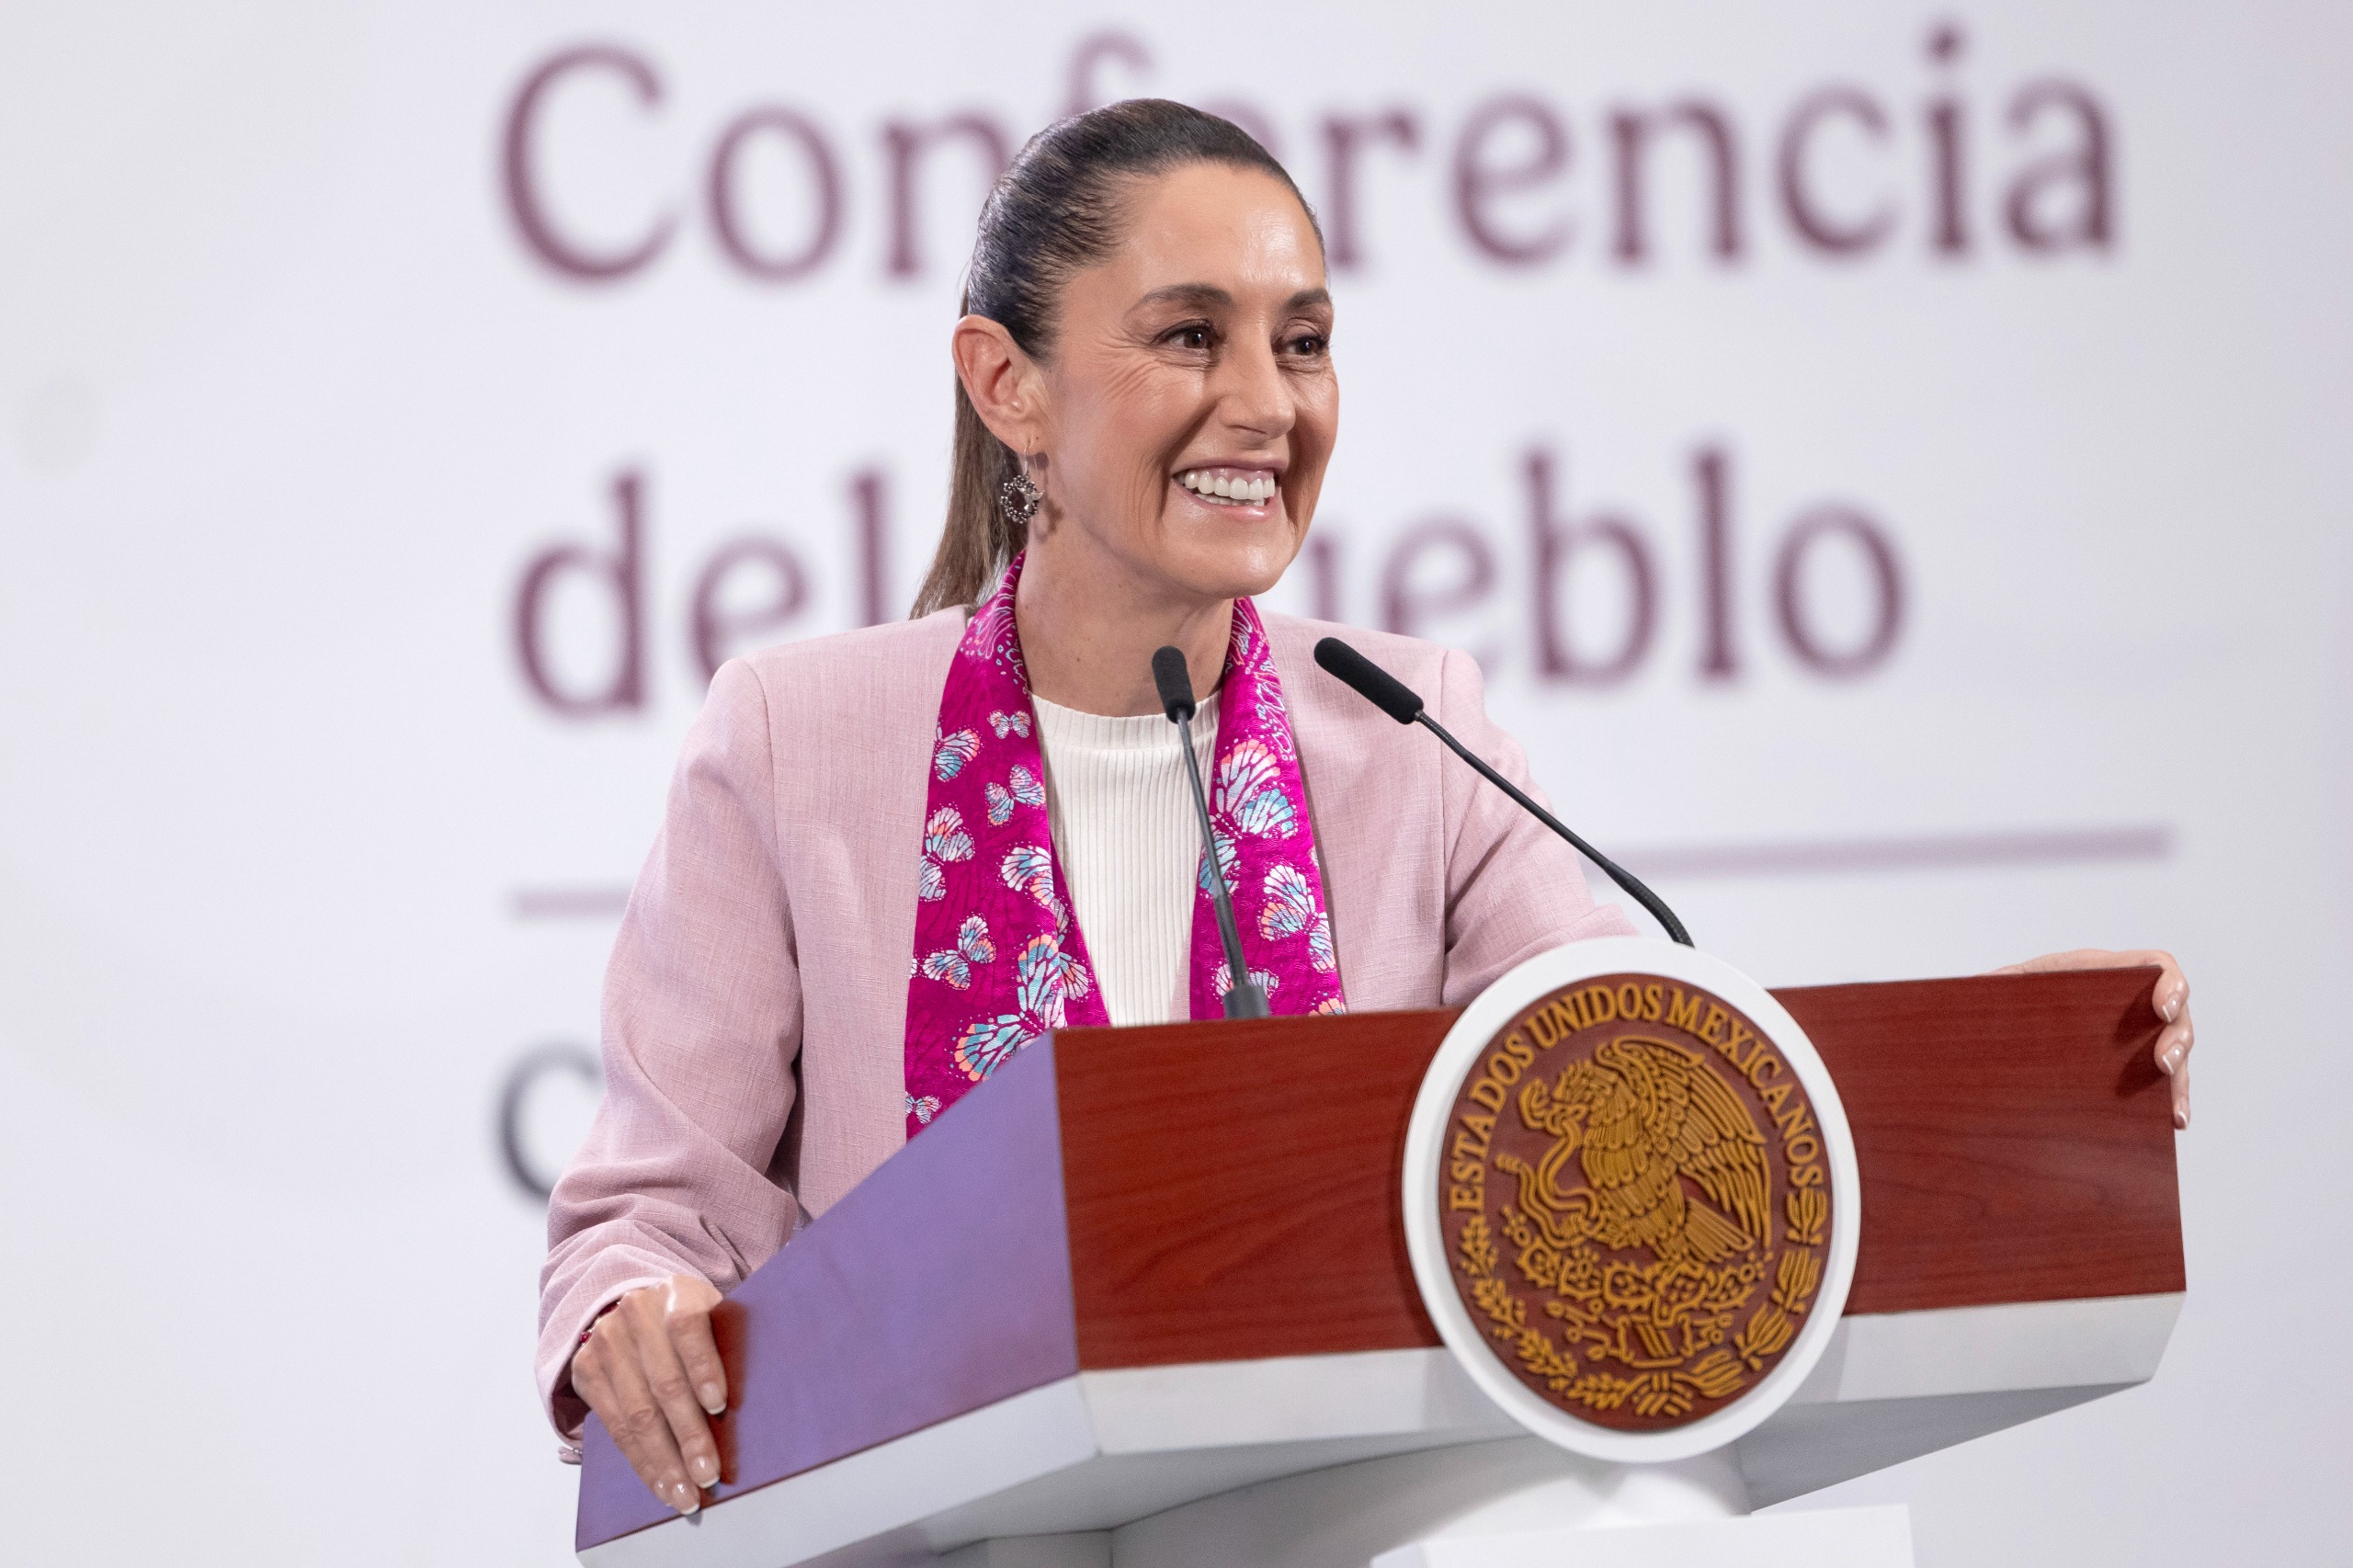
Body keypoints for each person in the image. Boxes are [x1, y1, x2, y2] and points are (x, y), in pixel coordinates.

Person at [537, 100, 2197, 1517]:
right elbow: (650, 1213)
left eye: (1305, 340)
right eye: (1191, 335)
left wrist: (1998, 1071)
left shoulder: (1410, 729)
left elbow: (1631, 1081)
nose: (1268, 402)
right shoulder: (795, 737)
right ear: (1007, 384)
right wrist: (636, 1310)